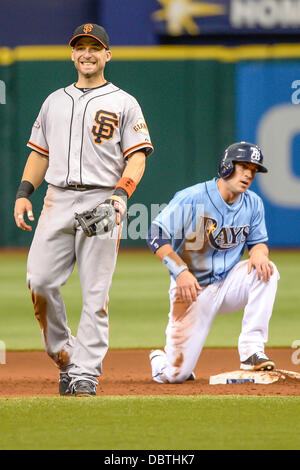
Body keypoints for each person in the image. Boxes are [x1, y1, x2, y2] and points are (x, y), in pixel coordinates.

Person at [14, 23, 153, 397]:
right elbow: (39, 154)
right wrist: (24, 192)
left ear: (107, 54)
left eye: (95, 47)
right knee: (39, 280)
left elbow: (137, 157)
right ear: (72, 53)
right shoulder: (53, 101)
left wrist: (122, 195)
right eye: (80, 47)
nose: (87, 53)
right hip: (57, 197)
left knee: (95, 293)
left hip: (102, 199)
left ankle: (86, 372)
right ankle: (65, 353)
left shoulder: (124, 102)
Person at [147, 142, 279, 384]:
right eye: (243, 166)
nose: (249, 174)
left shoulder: (253, 203)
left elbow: (258, 243)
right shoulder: (192, 197)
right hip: (192, 289)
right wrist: (180, 272)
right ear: (227, 166)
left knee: (268, 271)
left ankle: (252, 350)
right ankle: (160, 360)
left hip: (229, 283)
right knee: (176, 375)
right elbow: (155, 235)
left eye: (254, 170)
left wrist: (260, 252)